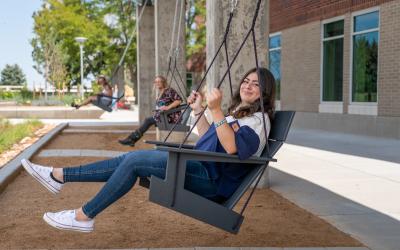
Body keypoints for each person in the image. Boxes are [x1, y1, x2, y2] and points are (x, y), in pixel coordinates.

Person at [21, 67, 275, 233]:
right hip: (199, 167)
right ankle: (60, 177)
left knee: (134, 161)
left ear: (265, 91)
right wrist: (200, 110)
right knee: (132, 158)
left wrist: (217, 109)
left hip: (211, 180)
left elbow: (230, 147)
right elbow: (210, 137)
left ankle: (82, 214)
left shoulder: (259, 121)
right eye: (245, 81)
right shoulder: (237, 113)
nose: (248, 85)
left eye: (255, 84)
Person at [118, 75, 183, 146]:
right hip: (163, 116)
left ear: (163, 82)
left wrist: (168, 107)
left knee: (148, 121)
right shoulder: (160, 92)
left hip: (170, 117)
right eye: (156, 82)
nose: (157, 83)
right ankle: (132, 139)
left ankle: (131, 139)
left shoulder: (169, 90)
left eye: (159, 81)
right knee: (148, 121)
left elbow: (179, 100)